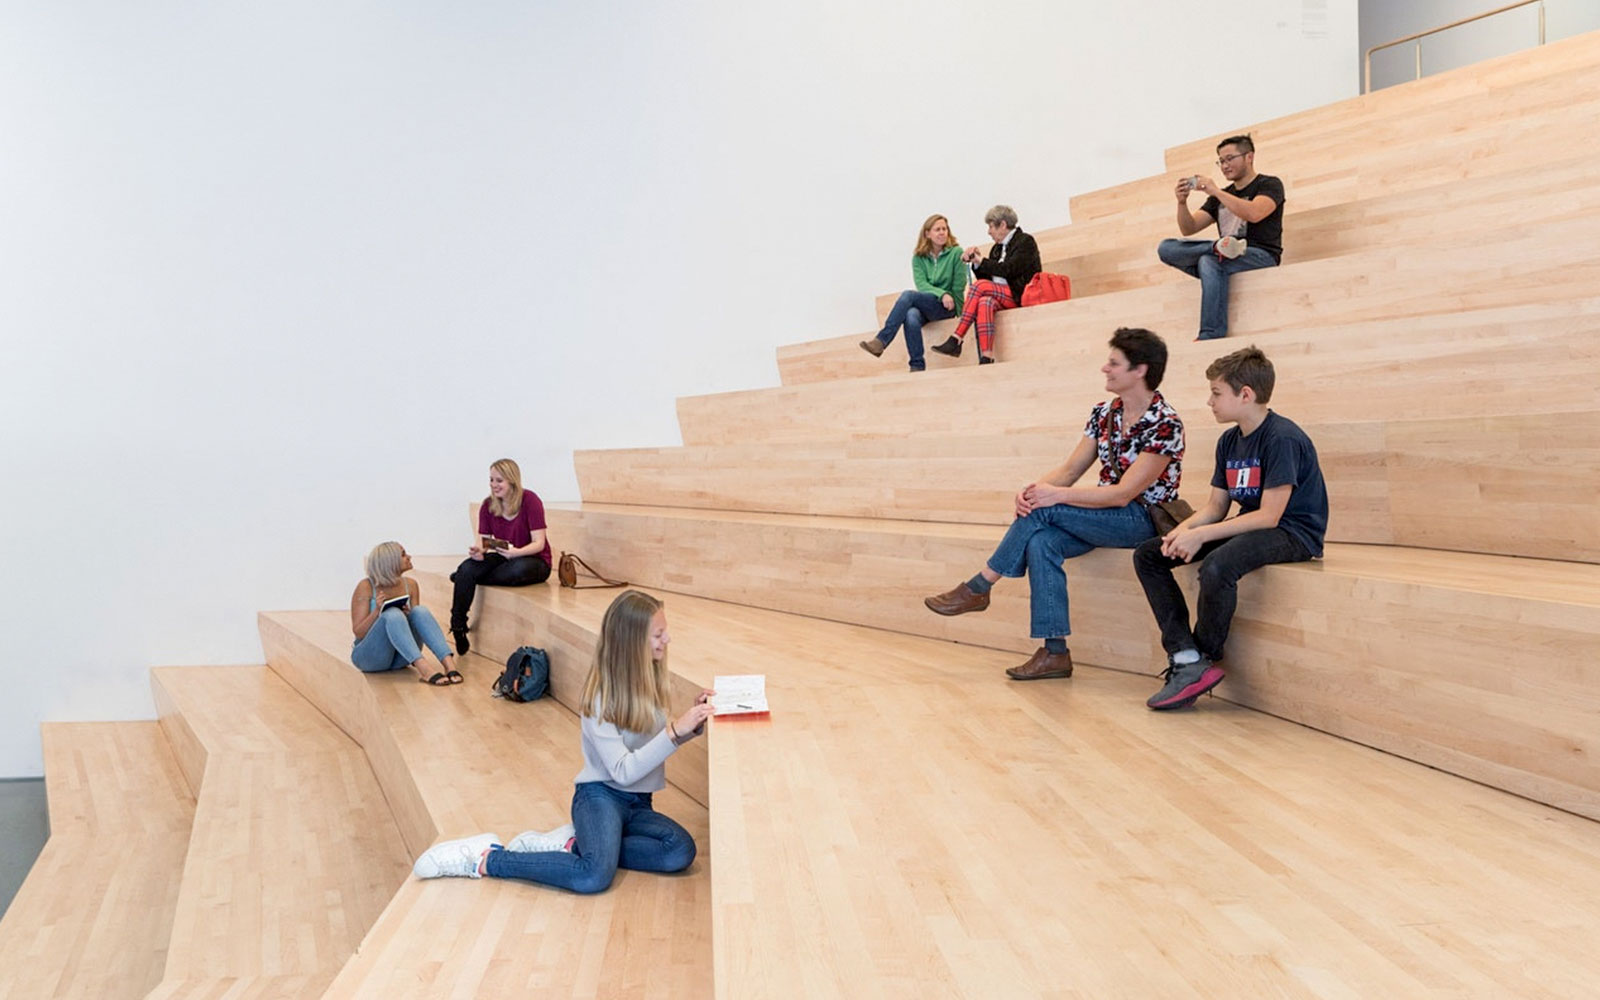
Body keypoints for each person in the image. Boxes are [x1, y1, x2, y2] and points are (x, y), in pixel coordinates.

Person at [411, 589, 715, 893]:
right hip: (601, 797)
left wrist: (692, 724)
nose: (668, 639)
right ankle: (488, 858)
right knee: (593, 875)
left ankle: (574, 843)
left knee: (679, 851)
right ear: (632, 642)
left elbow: (650, 745)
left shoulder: (648, 679)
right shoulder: (599, 697)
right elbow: (623, 770)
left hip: (638, 802)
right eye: (659, 634)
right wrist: (675, 731)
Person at [924, 328, 1185, 679]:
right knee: (1041, 540)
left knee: (1047, 509)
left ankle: (980, 586)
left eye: (1114, 363)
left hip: (1140, 519)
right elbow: (1071, 469)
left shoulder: (1165, 423)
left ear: (1140, 370)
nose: (1104, 369)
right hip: (1103, 514)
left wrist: (1053, 497)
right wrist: (1033, 490)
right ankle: (1055, 652)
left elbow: (1124, 494)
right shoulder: (1103, 413)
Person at [1133, 346, 1327, 710]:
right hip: (1253, 524)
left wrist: (1203, 535)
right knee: (1150, 554)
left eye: (1216, 393)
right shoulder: (1229, 441)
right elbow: (1216, 507)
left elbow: (1270, 516)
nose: (1210, 401)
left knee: (1219, 566)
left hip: (1293, 533)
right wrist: (1182, 532)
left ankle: (1203, 657)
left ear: (1246, 395)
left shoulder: (1281, 438)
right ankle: (1186, 656)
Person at [1156, 135, 1285, 341]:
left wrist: (1215, 191)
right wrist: (1182, 203)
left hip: (1261, 255)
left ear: (1249, 157)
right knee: (1166, 248)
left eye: (1229, 159)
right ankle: (1218, 248)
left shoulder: (1269, 184)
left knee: (1208, 261)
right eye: (1221, 161)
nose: (1224, 166)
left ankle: (1210, 334)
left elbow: (1255, 213)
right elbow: (1189, 228)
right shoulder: (1219, 197)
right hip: (1224, 256)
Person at [449, 458, 552, 654]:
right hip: (505, 555)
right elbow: (484, 541)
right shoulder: (488, 505)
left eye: (499, 481)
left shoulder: (530, 500)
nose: (494, 485)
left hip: (534, 560)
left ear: (512, 481)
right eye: (491, 480)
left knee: (516, 569)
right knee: (468, 566)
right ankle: (458, 626)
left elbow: (539, 543)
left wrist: (516, 553)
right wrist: (479, 552)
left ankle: (464, 578)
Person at [929, 205, 1041, 365]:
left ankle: (957, 338)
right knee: (984, 302)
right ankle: (987, 356)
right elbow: (990, 278)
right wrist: (976, 262)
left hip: (1020, 294)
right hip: (1003, 295)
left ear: (1002, 225)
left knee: (979, 286)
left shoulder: (1025, 241)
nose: (989, 232)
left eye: (991, 226)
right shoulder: (997, 249)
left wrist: (981, 261)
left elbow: (1008, 270)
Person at [860, 214, 968, 373]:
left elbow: (959, 286)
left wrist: (952, 303)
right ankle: (917, 365)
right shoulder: (918, 258)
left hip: (949, 306)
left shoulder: (956, 253)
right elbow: (922, 285)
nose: (942, 233)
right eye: (937, 229)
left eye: (944, 229)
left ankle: (881, 341)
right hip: (931, 304)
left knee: (908, 295)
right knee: (910, 315)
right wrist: (941, 293)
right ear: (927, 234)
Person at [350, 541, 462, 685]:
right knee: (392, 614)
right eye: (403, 555)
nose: (409, 557)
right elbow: (358, 632)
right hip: (370, 658)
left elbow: (418, 626)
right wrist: (377, 612)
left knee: (419, 611)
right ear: (389, 562)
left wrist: (409, 615)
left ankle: (449, 665)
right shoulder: (366, 586)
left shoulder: (411, 584)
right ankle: (425, 669)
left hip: (400, 658)